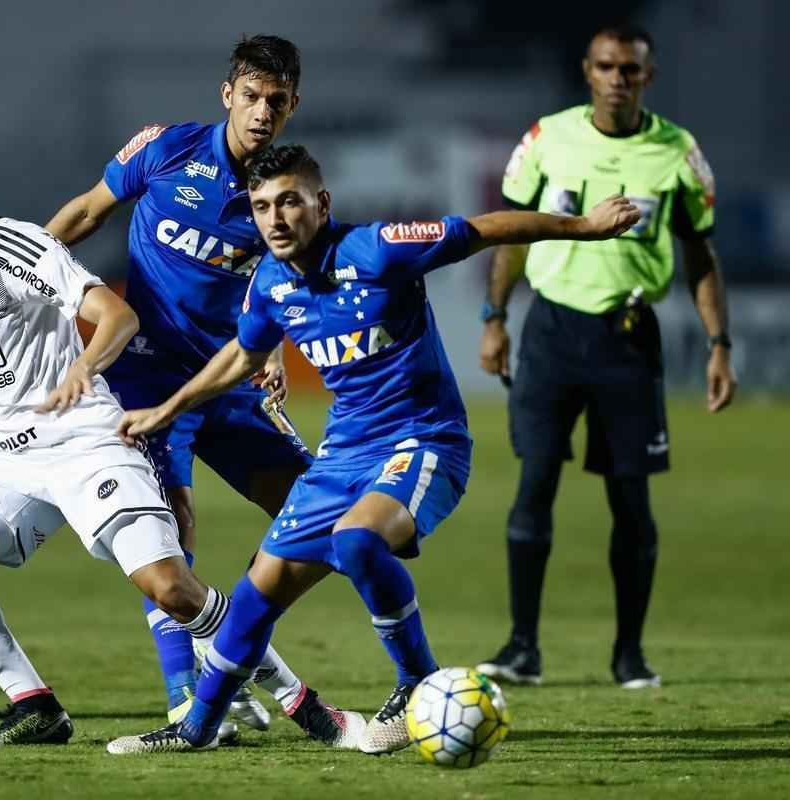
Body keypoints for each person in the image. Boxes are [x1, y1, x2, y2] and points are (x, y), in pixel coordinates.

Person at [0, 123, 360, 748]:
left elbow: (117, 316)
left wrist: (85, 364)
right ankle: (36, 706)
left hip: (87, 442)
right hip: (9, 461)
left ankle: (301, 703)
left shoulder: (19, 246)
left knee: (171, 589)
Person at [104, 144, 640, 755]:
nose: (275, 218)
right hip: (344, 455)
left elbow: (485, 229)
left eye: (289, 202)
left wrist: (584, 227)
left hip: (425, 439)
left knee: (356, 540)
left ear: (321, 203)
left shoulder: (379, 248)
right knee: (256, 594)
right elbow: (243, 355)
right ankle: (195, 729)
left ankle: (417, 681)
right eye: (261, 206)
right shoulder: (271, 283)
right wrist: (168, 409)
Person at [46, 34, 314, 730]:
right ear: (228, 94)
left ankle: (223, 648)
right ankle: (184, 696)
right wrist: (23, 273)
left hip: (229, 376)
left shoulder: (285, 189)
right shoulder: (166, 149)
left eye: (276, 101)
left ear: (292, 107)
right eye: (251, 96)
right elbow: (87, 211)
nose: (262, 112)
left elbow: (287, 276)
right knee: (173, 522)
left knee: (317, 514)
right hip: (148, 374)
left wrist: (272, 346)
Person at [474, 25, 736, 690]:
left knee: (631, 500)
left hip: (628, 338)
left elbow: (700, 253)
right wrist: (494, 318)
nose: (618, 78)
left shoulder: (677, 152)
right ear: (587, 71)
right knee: (535, 486)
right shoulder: (547, 138)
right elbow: (511, 234)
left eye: (631, 69)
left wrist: (719, 344)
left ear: (648, 77)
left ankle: (629, 654)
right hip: (552, 331)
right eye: (607, 66)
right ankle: (522, 648)